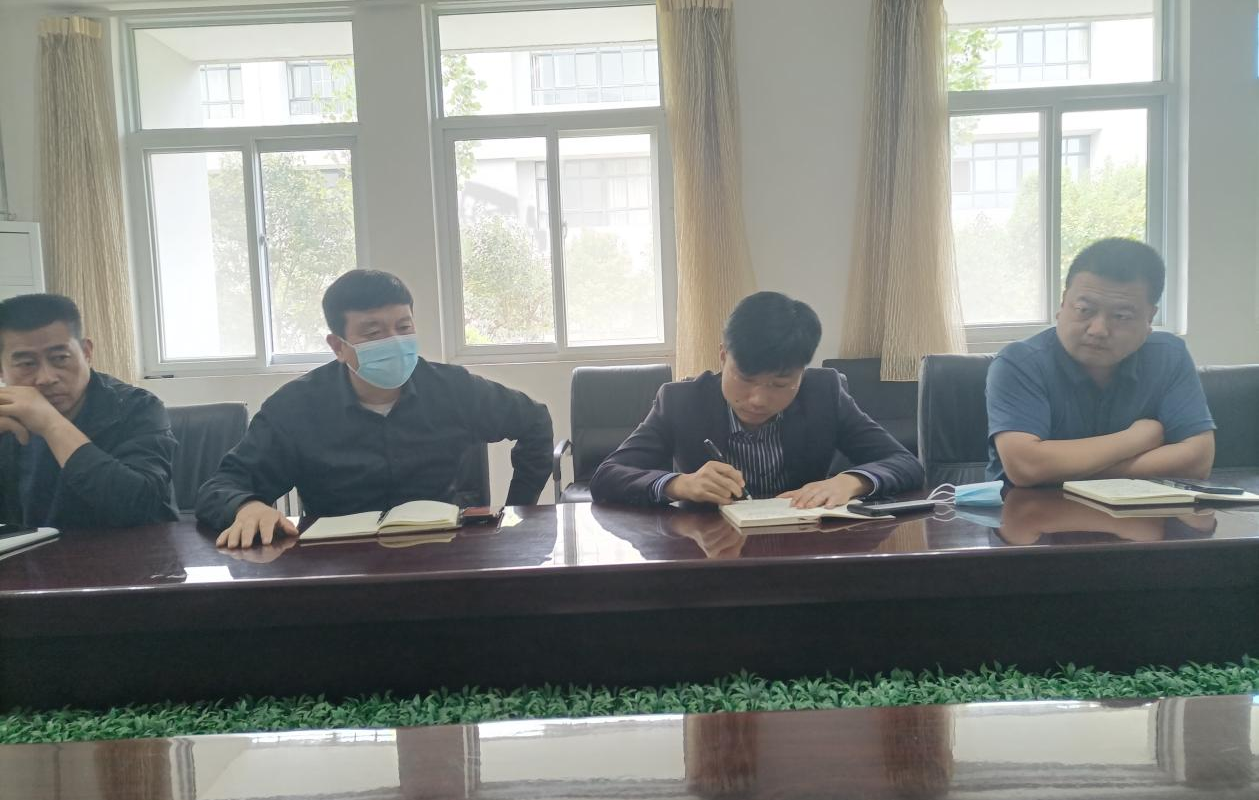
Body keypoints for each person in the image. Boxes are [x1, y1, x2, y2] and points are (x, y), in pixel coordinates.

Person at [196, 269, 553, 548]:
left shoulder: (453, 389)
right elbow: (220, 486)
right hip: (337, 565)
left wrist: (517, 511)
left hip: (442, 556)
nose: (394, 342)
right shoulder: (296, 407)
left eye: (403, 327)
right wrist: (247, 507)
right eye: (373, 333)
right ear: (338, 346)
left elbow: (535, 421)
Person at [589, 291, 923, 507]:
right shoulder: (681, 401)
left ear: (802, 371)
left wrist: (852, 482)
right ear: (723, 356)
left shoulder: (824, 393)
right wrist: (679, 484)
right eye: (745, 379)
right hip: (710, 554)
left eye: (780, 384)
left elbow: (905, 462)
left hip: (803, 550)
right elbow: (608, 475)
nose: (758, 399)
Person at [987, 237, 1215, 486]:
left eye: (1121, 316)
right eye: (1084, 310)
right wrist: (1137, 439)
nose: (1098, 330)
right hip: (1033, 509)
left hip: (1141, 510)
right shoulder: (1020, 363)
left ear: (1149, 318)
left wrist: (1064, 470)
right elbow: (1026, 466)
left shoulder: (1168, 356)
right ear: (1063, 303)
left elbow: (1198, 459)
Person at [0, 293, 178, 528]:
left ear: (86, 352)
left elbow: (140, 506)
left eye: (60, 358)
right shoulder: (5, 415)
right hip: (30, 551)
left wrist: (51, 425)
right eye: (26, 364)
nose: (46, 377)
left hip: (129, 550)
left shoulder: (137, 407)